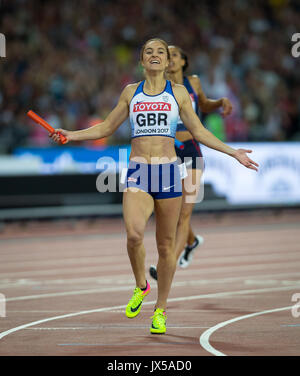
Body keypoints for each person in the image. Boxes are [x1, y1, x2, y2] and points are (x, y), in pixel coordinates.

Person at [51, 38, 258, 335]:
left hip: (168, 174)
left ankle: (160, 310)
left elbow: (198, 130)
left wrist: (233, 151)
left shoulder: (179, 93)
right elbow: (106, 127)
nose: (156, 55)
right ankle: (141, 285)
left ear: (167, 60)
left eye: (160, 51)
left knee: (165, 247)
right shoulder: (130, 92)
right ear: (142, 60)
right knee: (134, 235)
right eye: (149, 51)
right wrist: (70, 135)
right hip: (138, 171)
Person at [149, 45, 233, 281]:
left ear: (184, 62)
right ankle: (192, 241)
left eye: (175, 55)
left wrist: (220, 103)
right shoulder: (158, 85)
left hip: (191, 150)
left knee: (184, 212)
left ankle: (168, 265)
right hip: (167, 150)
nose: (171, 59)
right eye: (168, 56)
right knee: (168, 211)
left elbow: (204, 105)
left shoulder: (193, 82)